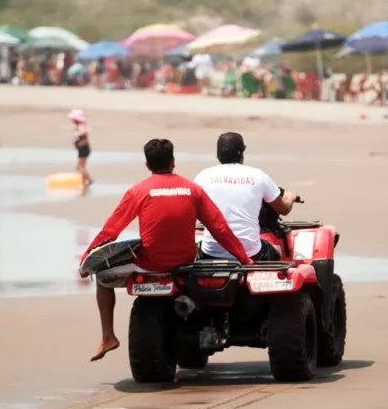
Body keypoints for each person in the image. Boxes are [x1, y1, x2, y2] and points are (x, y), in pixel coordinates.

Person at [78, 139, 252, 362]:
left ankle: (108, 336)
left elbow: (111, 231)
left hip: (150, 262)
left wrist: (86, 261)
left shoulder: (138, 191)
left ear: (147, 165)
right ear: (173, 162)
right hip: (185, 260)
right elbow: (219, 228)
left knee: (102, 277)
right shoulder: (192, 189)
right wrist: (243, 258)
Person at [194, 132, 300, 262]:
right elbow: (283, 210)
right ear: (242, 155)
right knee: (276, 253)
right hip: (250, 253)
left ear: (218, 155)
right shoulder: (258, 176)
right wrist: (289, 198)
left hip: (211, 253)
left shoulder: (203, 176)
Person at [69, 109, 93, 188]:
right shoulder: (81, 125)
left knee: (80, 166)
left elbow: (84, 132)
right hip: (82, 149)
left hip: (83, 149)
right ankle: (86, 180)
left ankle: (86, 181)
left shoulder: (81, 126)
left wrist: (77, 134)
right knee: (79, 166)